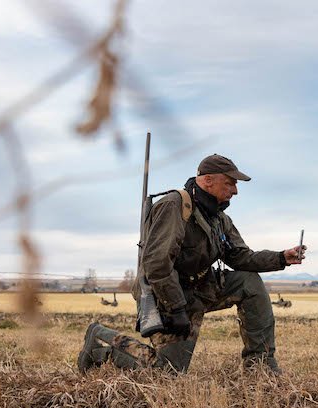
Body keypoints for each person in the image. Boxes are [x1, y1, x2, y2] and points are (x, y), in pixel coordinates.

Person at [77, 154, 304, 375]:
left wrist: (281, 258)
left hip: (201, 288)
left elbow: (239, 257)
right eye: (230, 183)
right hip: (167, 294)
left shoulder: (218, 217)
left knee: (249, 282)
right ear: (207, 180)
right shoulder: (175, 206)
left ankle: (261, 366)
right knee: (168, 372)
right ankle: (100, 343)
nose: (235, 190)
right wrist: (176, 307)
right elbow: (157, 264)